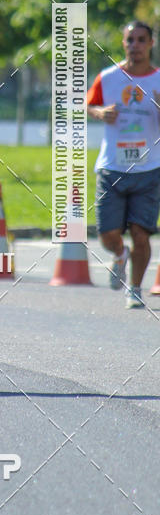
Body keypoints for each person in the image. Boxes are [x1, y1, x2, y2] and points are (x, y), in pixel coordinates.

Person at [87, 21, 160, 308]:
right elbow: (89, 104)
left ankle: (135, 288)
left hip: (149, 168)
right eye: (130, 40)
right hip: (112, 167)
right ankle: (119, 254)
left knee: (141, 233)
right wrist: (100, 112)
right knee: (108, 234)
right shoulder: (107, 77)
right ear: (123, 43)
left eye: (141, 40)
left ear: (151, 44)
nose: (135, 45)